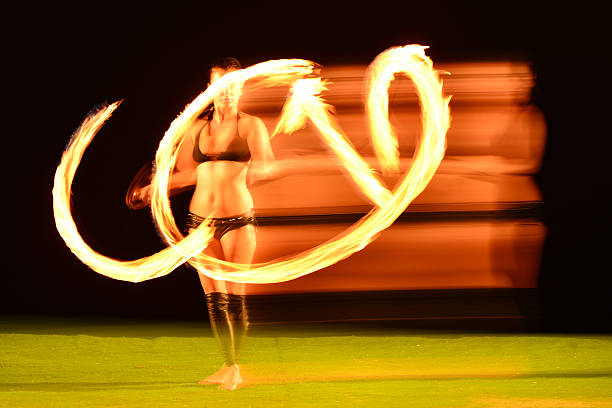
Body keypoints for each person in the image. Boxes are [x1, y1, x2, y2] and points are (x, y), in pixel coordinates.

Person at [132, 57, 274, 391]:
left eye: (233, 86)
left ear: (240, 89)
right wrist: (155, 188)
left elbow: (268, 165)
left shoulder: (250, 126)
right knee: (214, 299)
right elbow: (184, 175)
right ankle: (226, 365)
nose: (226, 93)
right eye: (220, 86)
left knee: (236, 298)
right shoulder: (198, 130)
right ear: (210, 89)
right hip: (201, 223)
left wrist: (252, 173)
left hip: (238, 220)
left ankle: (235, 366)